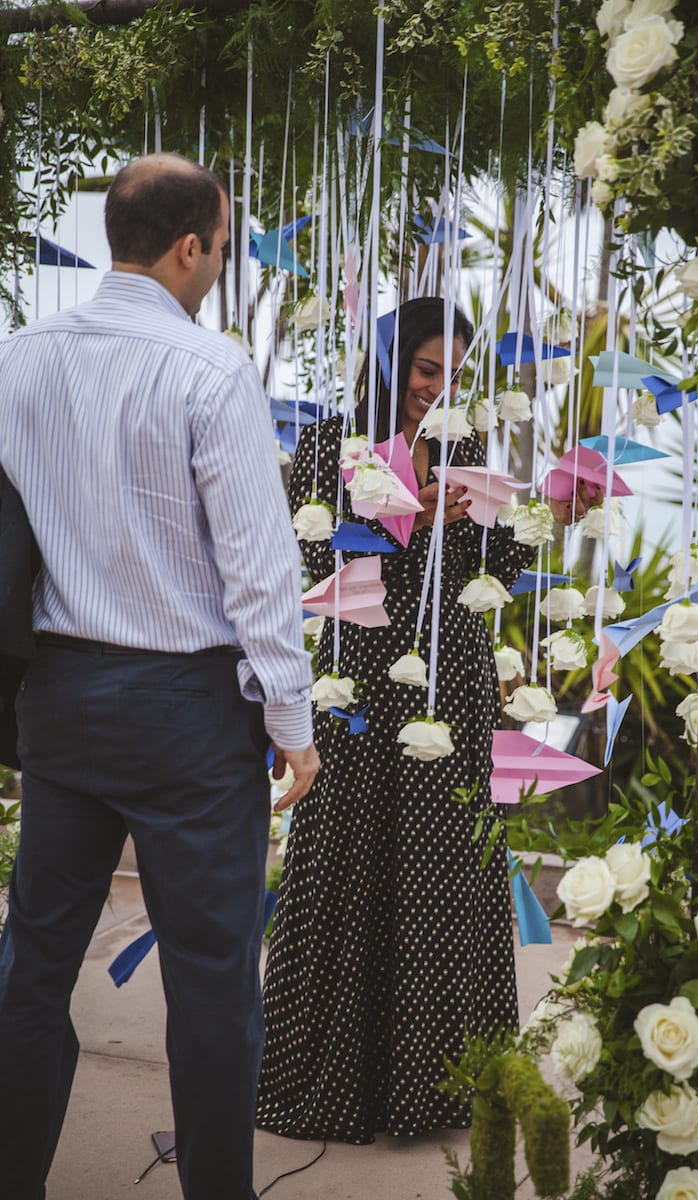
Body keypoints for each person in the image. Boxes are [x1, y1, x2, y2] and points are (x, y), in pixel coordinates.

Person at [0, 152, 319, 1200]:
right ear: (191, 247)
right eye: (221, 249)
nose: (217, 266)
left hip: (60, 699)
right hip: (186, 715)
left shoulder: (22, 357)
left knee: (33, 969)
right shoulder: (209, 370)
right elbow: (258, 570)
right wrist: (291, 719)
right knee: (213, 988)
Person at [255, 296, 546, 1145]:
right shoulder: (331, 442)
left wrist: (530, 515)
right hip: (359, 679)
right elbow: (306, 558)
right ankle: (337, 1080)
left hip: (448, 680)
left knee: (444, 869)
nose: (440, 387)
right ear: (392, 365)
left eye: (455, 374)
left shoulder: (467, 445)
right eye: (426, 370)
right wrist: (407, 513)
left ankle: (440, 1088)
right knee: (352, 851)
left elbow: (494, 562)